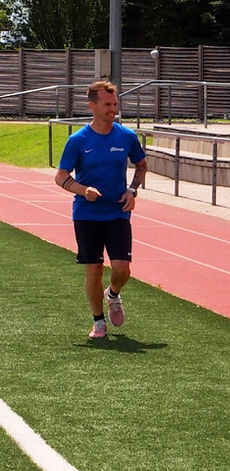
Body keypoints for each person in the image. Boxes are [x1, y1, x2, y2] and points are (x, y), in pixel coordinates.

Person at [54, 80, 148, 339]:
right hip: (87, 215)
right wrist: (83, 190)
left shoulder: (127, 137)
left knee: (122, 268)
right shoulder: (78, 140)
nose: (113, 109)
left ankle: (114, 294)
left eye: (115, 103)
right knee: (94, 269)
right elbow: (61, 176)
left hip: (118, 212)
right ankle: (98, 322)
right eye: (107, 104)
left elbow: (141, 165)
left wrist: (132, 190)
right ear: (92, 106)